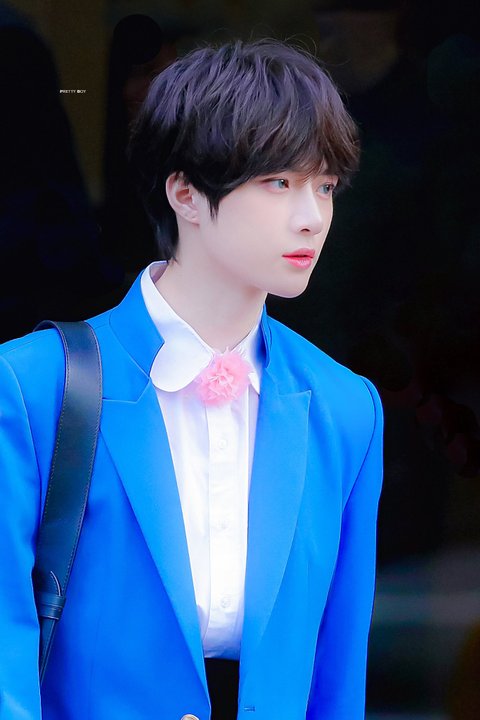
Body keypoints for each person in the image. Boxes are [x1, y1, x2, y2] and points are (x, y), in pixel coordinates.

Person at [0, 40, 383, 720]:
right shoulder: (33, 385)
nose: (312, 216)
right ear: (185, 194)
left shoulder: (345, 406)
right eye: (279, 182)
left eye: (324, 186)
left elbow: (337, 673)